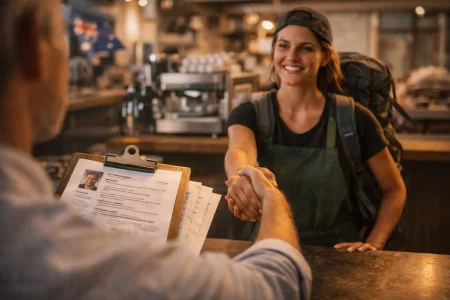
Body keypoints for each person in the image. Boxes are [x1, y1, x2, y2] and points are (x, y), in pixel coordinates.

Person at [0, 1, 311, 299]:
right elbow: (274, 285)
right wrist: (274, 199)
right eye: (62, 35)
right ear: (33, 47)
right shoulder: (35, 242)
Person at [225, 7, 406, 252]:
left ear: (325, 56)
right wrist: (239, 176)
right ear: (273, 51)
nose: (292, 56)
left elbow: (394, 189)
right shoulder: (250, 113)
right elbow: (239, 150)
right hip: (268, 249)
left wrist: (372, 246)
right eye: (283, 46)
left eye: (306, 48)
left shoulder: (354, 118)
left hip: (339, 255)